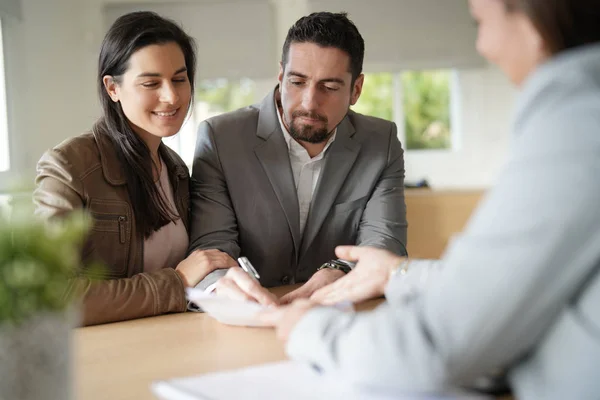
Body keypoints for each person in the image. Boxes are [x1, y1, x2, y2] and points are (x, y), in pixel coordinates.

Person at [261, 0, 600, 398]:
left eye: (481, 21)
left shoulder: (580, 121)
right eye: (297, 82)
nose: (483, 46)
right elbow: (502, 286)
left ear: (530, 20)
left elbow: (433, 346)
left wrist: (310, 330)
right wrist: (396, 274)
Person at [188, 12, 408, 305]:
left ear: (356, 89)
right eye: (297, 82)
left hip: (337, 313)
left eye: (329, 87)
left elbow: (384, 243)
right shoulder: (220, 139)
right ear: (281, 75)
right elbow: (211, 248)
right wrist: (224, 288)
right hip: (244, 319)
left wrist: (341, 270)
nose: (309, 102)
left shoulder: (381, 143)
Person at [33, 11, 222, 326]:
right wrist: (175, 282)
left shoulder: (176, 169)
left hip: (177, 338)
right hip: (109, 356)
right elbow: (51, 296)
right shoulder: (69, 167)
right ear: (112, 88)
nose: (172, 96)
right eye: (151, 82)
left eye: (179, 78)